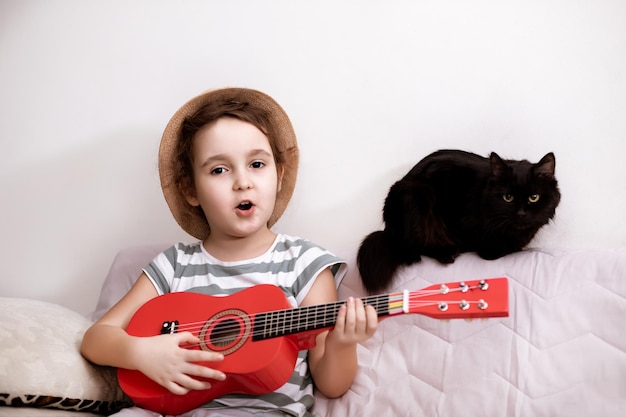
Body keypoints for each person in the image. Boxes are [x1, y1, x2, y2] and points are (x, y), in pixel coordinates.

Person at [81, 87, 379, 417]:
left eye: (256, 164)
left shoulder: (304, 263)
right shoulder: (175, 264)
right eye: (219, 170)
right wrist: (140, 353)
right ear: (190, 189)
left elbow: (331, 384)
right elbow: (97, 338)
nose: (242, 182)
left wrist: (343, 342)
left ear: (278, 175)